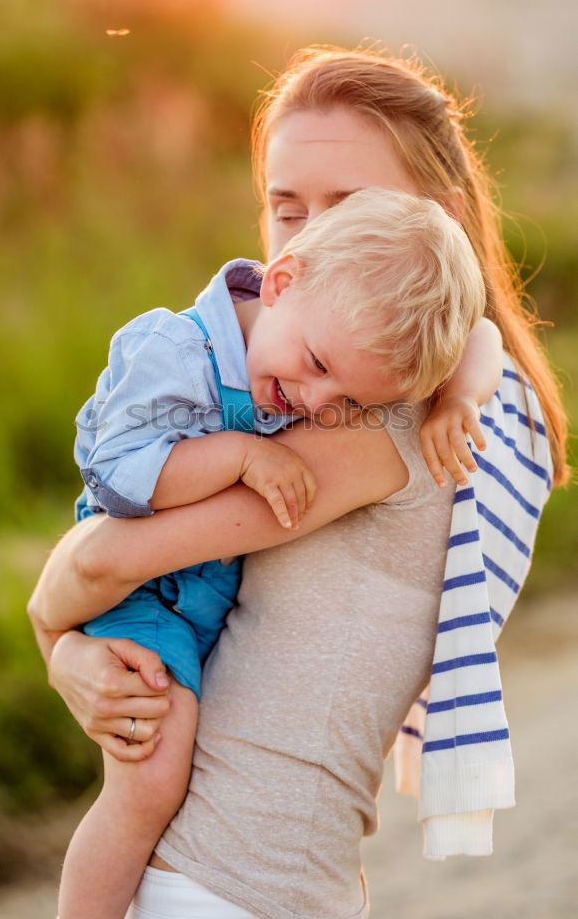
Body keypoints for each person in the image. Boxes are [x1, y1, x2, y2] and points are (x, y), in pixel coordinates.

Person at [28, 46, 567, 919]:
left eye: (349, 206)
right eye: (286, 208)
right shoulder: (461, 392)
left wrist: (52, 638)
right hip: (285, 883)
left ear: (440, 220)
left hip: (216, 882)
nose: (311, 236)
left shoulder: (378, 408)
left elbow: (97, 565)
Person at [45, 188, 492, 919]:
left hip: (196, 597)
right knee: (150, 778)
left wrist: (458, 398)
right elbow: (115, 475)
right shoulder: (174, 350)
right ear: (279, 281)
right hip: (150, 596)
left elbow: (481, 334)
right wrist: (238, 455)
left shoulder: (330, 342)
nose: (315, 405)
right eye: (315, 365)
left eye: (344, 401)